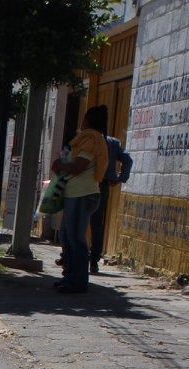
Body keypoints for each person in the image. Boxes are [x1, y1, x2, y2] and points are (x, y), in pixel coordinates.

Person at [51, 109, 108, 294]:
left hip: (83, 195)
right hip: (73, 194)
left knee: (76, 238)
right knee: (66, 236)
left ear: (88, 120)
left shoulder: (91, 140)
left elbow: (78, 167)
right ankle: (69, 276)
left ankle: (78, 281)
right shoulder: (82, 139)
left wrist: (61, 165)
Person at [88, 107, 132, 275]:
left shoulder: (86, 139)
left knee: (76, 220)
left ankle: (70, 255)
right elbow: (127, 159)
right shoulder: (112, 143)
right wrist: (119, 177)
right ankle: (94, 260)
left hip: (84, 183)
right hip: (103, 185)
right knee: (97, 223)